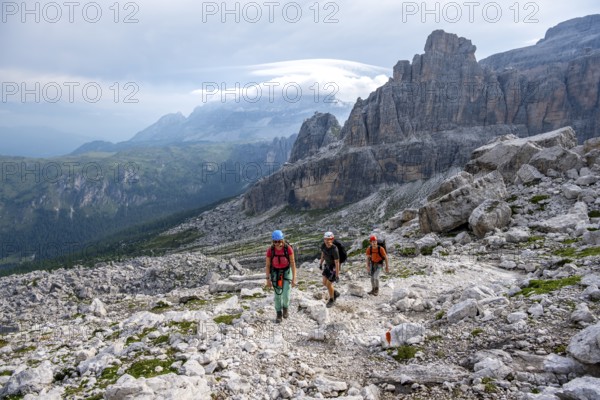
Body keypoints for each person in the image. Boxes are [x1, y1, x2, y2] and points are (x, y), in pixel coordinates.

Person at [265, 230, 296, 323]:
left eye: (279, 241)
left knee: (286, 293)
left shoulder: (288, 249)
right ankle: (278, 313)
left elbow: (293, 263)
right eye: (275, 242)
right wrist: (268, 279)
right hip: (276, 274)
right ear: (273, 242)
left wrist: (294, 278)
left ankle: (285, 308)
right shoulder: (270, 250)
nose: (277, 244)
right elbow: (267, 265)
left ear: (283, 240)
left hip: (286, 272)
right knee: (278, 293)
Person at [319, 231, 340, 308]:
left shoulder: (334, 249)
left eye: (329, 239)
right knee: (324, 283)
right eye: (326, 239)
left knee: (328, 284)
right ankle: (335, 293)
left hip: (333, 268)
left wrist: (337, 275)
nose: (327, 241)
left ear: (332, 239)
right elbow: (323, 254)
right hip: (327, 266)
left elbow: (337, 262)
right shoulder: (323, 246)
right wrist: (321, 263)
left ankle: (332, 299)